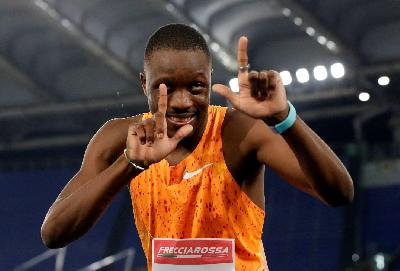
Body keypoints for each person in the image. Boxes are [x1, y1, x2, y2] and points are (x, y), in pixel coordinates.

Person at [41, 24, 354, 270]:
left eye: (196, 86)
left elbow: (340, 194)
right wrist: (130, 165)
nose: (181, 101)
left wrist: (285, 118)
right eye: (164, 87)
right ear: (143, 83)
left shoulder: (240, 132)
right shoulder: (121, 137)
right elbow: (53, 233)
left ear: (210, 79)